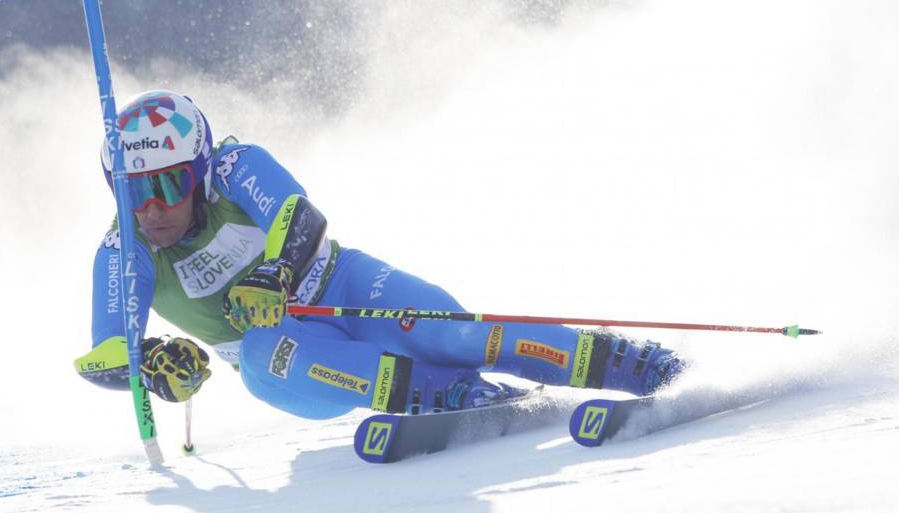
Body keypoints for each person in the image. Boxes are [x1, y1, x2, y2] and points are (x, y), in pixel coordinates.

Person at [74, 90, 685, 419]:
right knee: (264, 352)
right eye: (132, 191)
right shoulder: (123, 250)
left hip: (344, 286)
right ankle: (449, 397)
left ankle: (626, 361)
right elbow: (102, 354)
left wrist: (276, 273)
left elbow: (298, 215)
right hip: (294, 361)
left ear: (202, 171)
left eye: (167, 184)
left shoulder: (236, 166)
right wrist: (151, 365)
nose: (150, 208)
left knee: (456, 334)